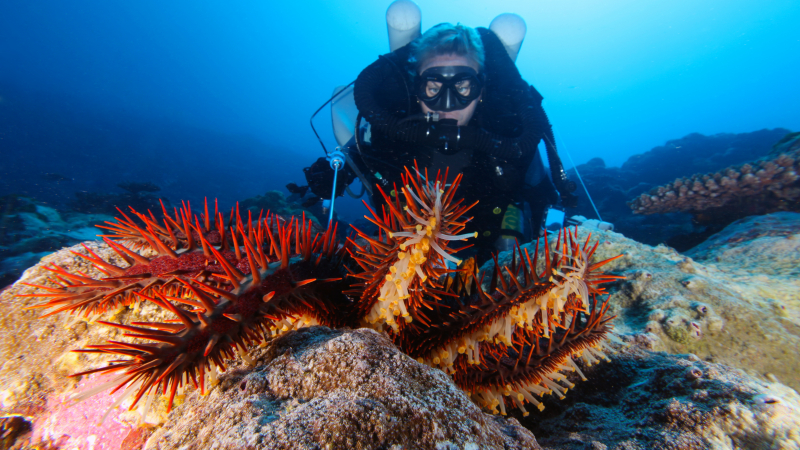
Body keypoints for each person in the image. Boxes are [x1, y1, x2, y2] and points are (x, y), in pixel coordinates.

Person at [299, 23, 577, 263]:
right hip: (400, 258)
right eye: (433, 88)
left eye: (462, 88)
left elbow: (545, 201)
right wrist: (334, 174)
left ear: (480, 91)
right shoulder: (392, 133)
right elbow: (356, 155)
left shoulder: (508, 139)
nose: (447, 106)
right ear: (416, 90)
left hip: (491, 266)